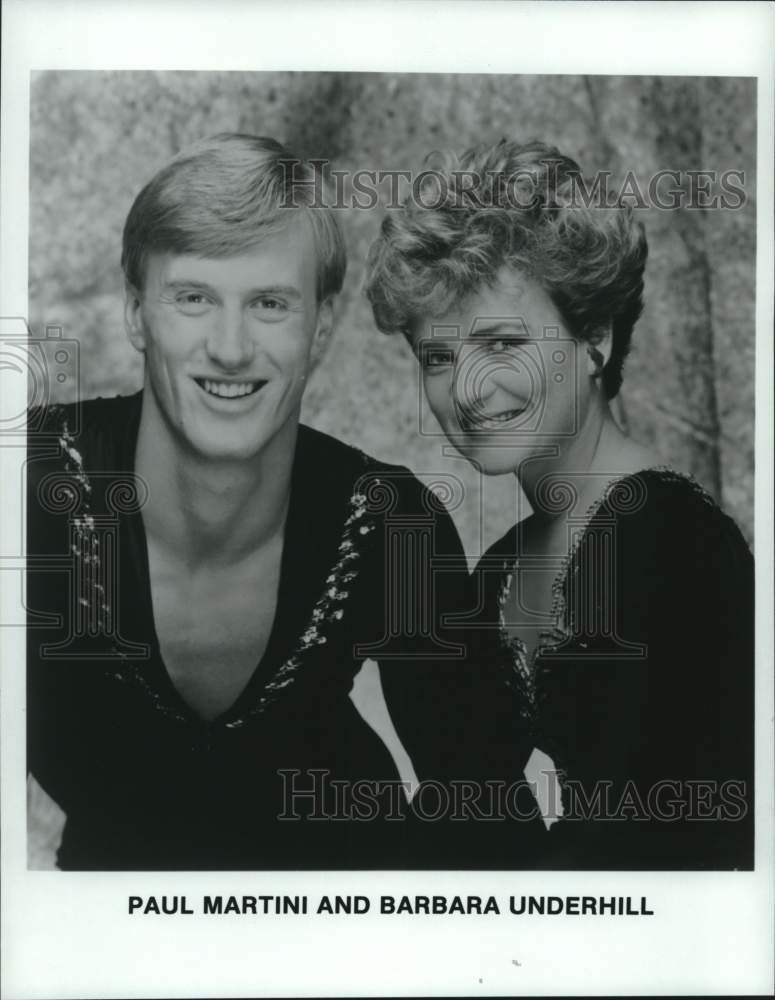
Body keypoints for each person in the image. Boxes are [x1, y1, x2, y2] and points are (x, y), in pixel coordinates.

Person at [26, 133, 537, 870]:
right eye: (194, 298)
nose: (230, 348)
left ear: (320, 328)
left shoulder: (390, 520)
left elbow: (485, 803)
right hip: (112, 932)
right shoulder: (29, 485)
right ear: (138, 314)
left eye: (270, 303)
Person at [365, 139, 755, 869]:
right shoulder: (495, 571)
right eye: (437, 357)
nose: (469, 391)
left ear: (593, 338)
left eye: (502, 343)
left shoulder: (677, 546)